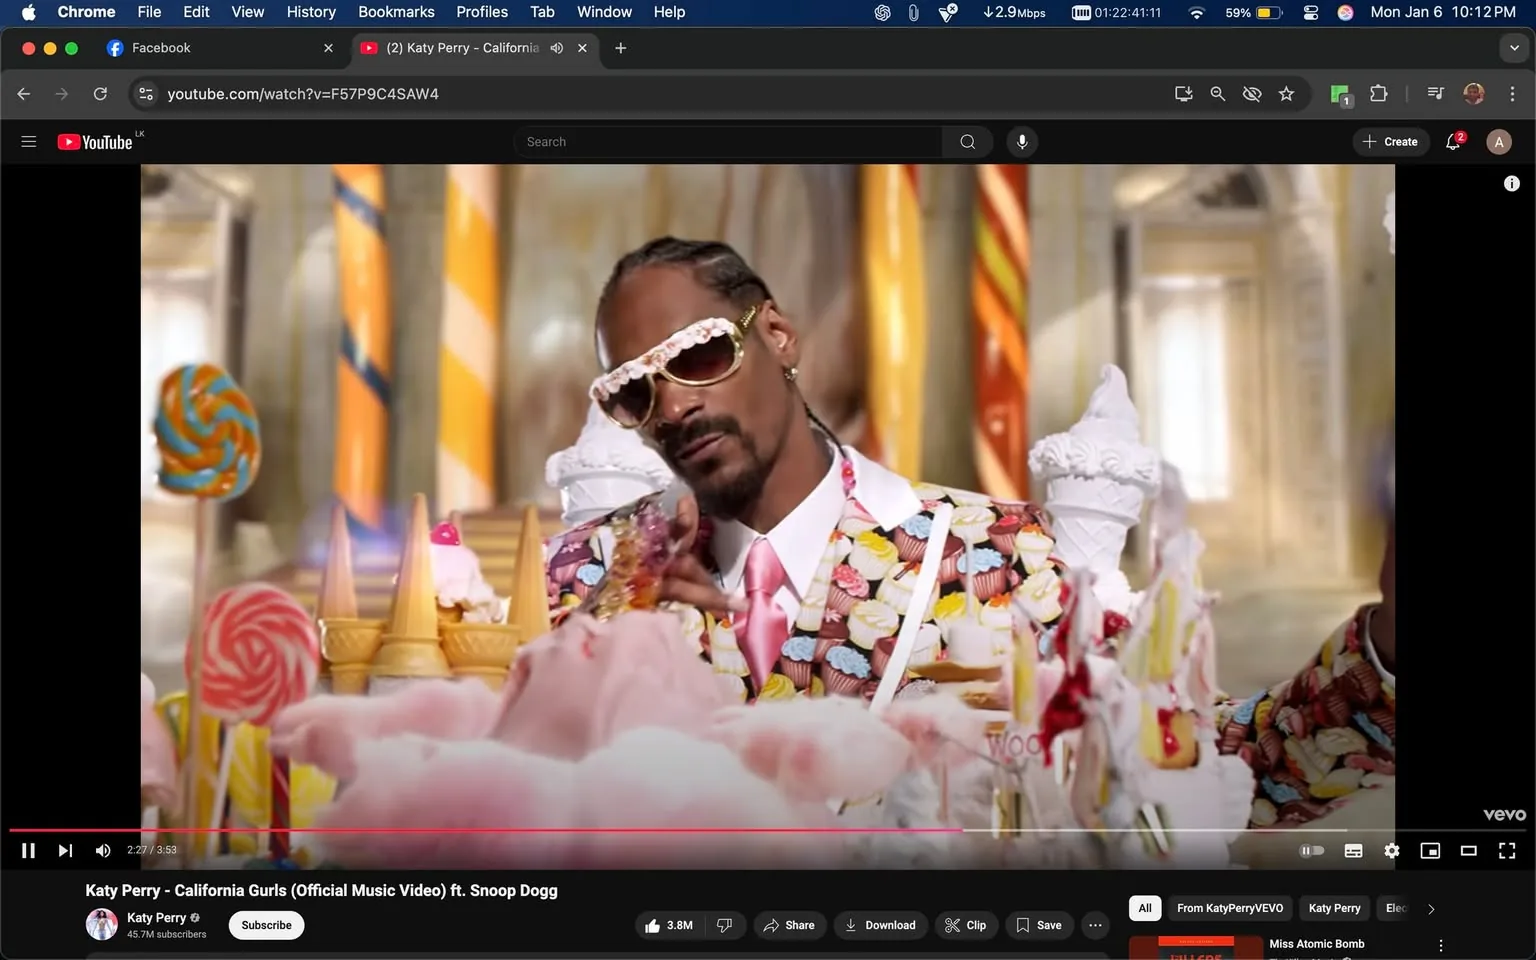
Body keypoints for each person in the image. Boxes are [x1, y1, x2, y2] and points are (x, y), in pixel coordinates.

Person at [546, 237, 1067, 703]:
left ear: (776, 334)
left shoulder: (1003, 554)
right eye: (634, 394)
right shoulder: (581, 574)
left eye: (699, 355)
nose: (674, 408)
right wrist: (602, 637)